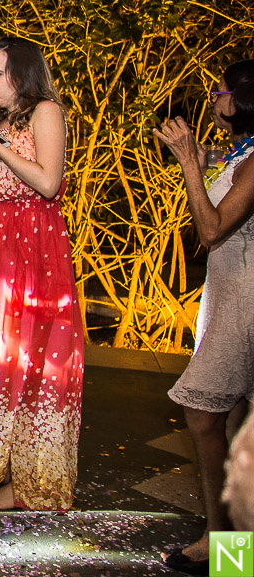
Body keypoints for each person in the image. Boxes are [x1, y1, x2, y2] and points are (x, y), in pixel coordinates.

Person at [0, 37, 85, 511]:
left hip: (33, 243)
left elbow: (48, 183)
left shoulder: (46, 111)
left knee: (29, 359)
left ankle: (31, 483)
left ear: (22, 75)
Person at [153, 59, 254, 573]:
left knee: (203, 412)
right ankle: (236, 552)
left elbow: (212, 231)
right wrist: (195, 159)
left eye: (220, 89)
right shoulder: (242, 152)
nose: (213, 95)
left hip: (248, 302)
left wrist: (192, 163)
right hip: (230, 293)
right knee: (238, 423)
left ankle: (224, 542)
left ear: (242, 98)